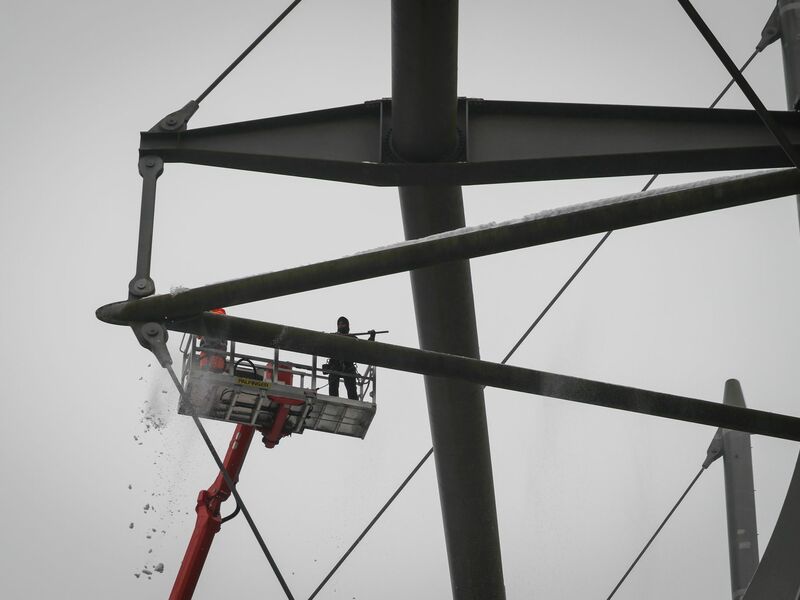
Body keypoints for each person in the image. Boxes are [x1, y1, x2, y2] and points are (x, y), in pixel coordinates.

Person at [325, 316, 375, 400]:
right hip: (335, 366)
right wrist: (325, 336)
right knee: (333, 386)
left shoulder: (353, 339)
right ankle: (334, 400)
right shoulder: (333, 337)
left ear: (347, 326)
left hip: (348, 368)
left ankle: (353, 400)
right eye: (339, 324)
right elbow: (323, 344)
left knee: (352, 391)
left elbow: (366, 349)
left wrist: (372, 337)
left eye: (343, 324)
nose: (341, 326)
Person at [198, 308, 227, 372]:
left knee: (214, 370)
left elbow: (220, 315)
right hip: (206, 355)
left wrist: (207, 313)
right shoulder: (205, 318)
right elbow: (198, 336)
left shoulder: (220, 311)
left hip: (217, 353)